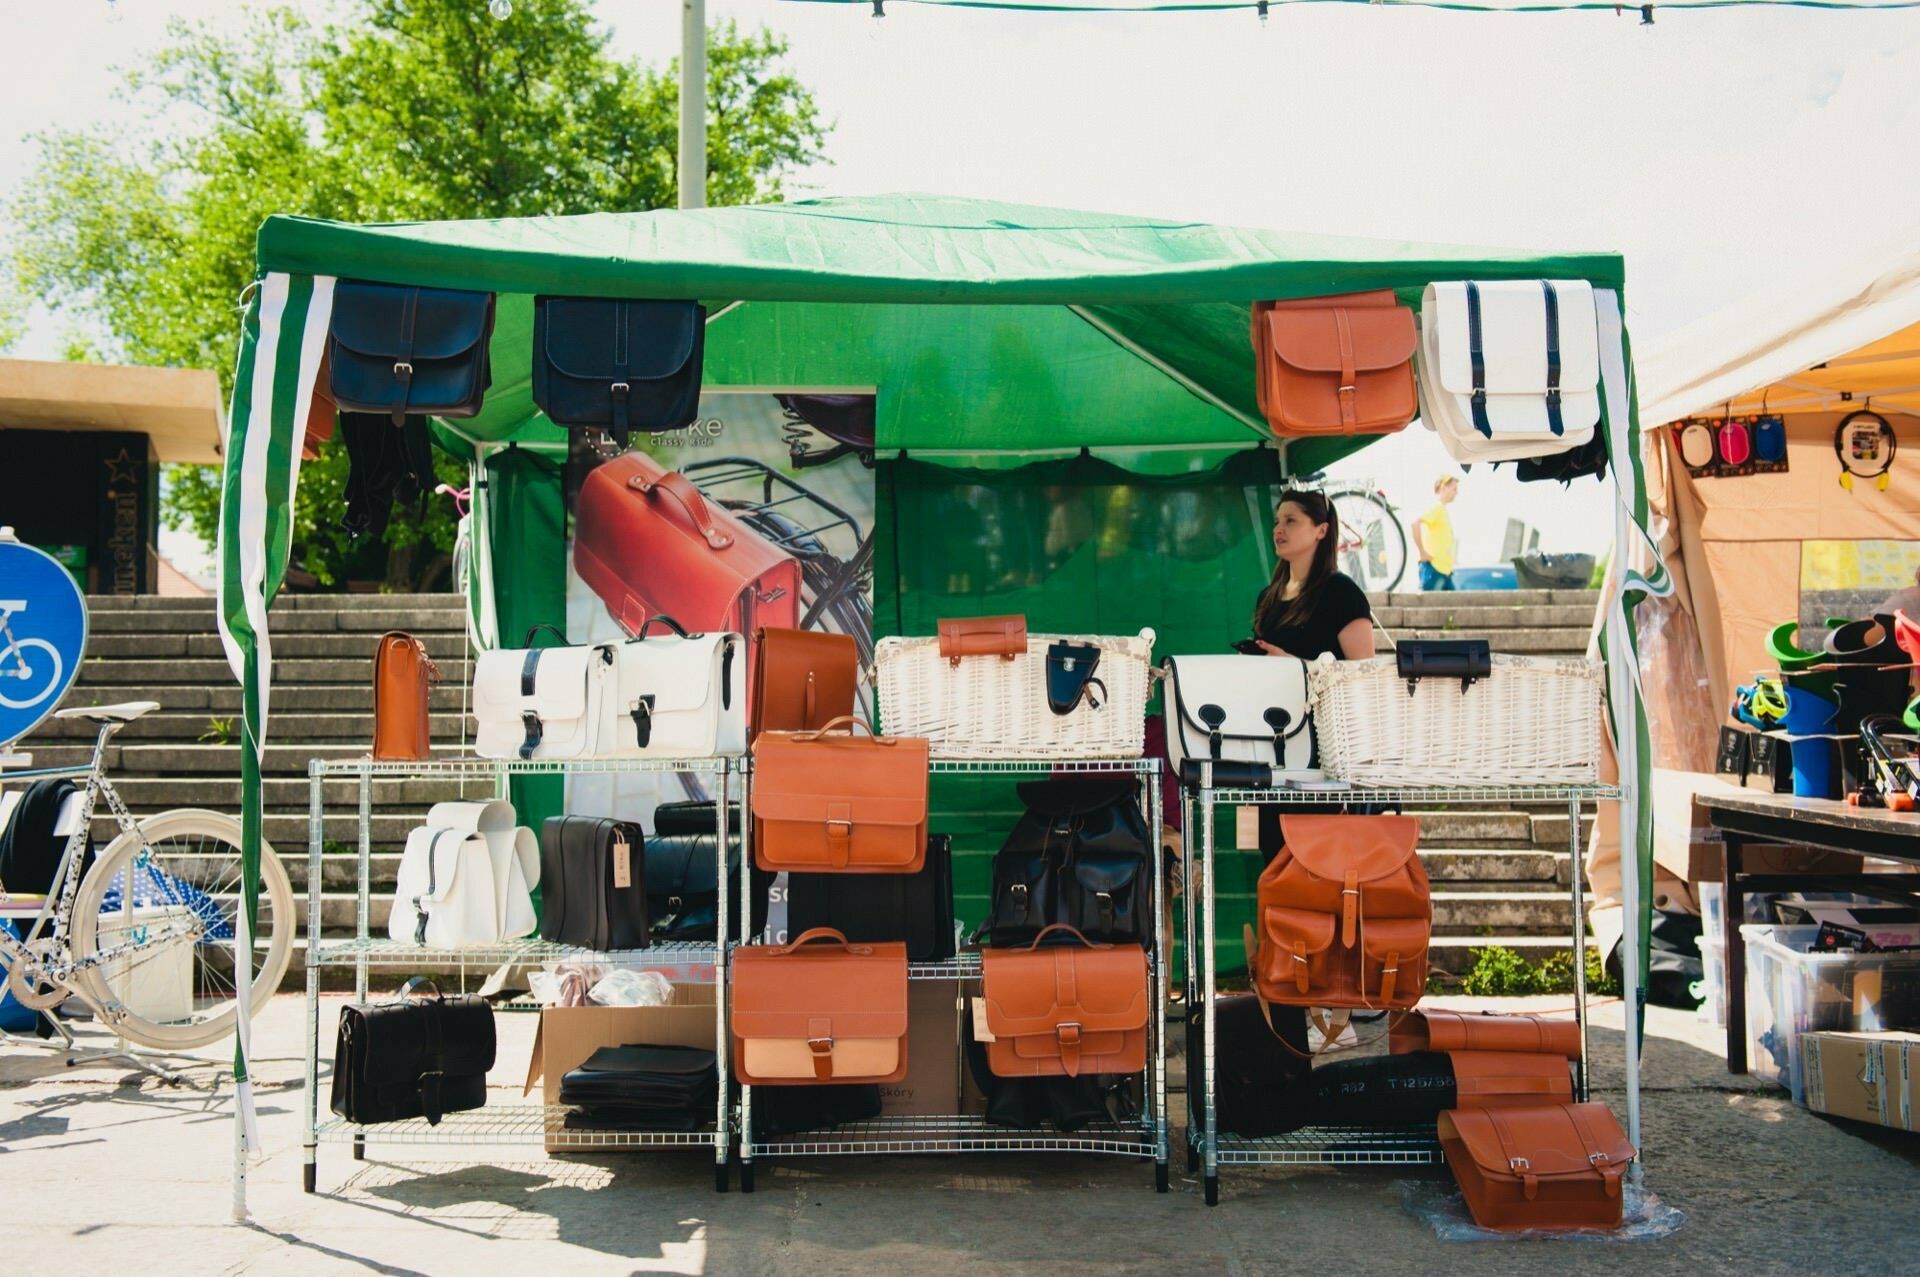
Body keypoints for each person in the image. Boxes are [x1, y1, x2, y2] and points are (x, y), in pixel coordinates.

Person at [1251, 488, 1377, 662]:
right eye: (1276, 522)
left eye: (1290, 521)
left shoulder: (1342, 593)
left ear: (1322, 531)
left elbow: (1363, 674)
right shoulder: (1266, 597)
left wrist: (1292, 664)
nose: (1278, 530)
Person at [1412, 473, 1460, 592]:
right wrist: (1422, 552)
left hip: (1444, 571)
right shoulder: (1436, 508)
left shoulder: (1442, 510)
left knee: (1454, 608)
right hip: (1434, 570)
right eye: (1454, 489)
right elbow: (1414, 524)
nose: (1456, 493)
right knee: (1426, 608)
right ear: (1443, 488)